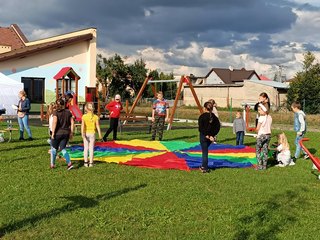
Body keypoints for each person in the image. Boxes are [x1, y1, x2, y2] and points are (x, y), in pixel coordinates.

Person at [50, 98, 74, 170]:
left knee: (54, 148)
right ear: (64, 104)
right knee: (63, 148)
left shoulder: (55, 112)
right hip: (66, 133)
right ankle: (69, 163)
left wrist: (53, 133)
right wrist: (71, 132)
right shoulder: (68, 112)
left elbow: (54, 122)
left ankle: (52, 164)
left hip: (57, 133)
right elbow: (72, 123)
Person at [198, 101, 220, 173]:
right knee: (205, 150)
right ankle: (204, 166)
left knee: (205, 152)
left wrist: (207, 135)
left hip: (204, 136)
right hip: (210, 137)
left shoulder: (202, 117)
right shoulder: (214, 117)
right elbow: (217, 127)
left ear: (204, 108)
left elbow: (201, 128)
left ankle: (204, 167)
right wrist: (212, 135)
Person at [81, 102, 102, 167]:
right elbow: (97, 126)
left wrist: (82, 133)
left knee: (86, 148)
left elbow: (82, 126)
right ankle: (91, 163)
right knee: (91, 148)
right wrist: (100, 134)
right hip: (92, 133)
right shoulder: (95, 117)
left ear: (86, 109)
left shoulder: (84, 116)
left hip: (86, 133)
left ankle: (85, 162)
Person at [255, 103, 272, 170]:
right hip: (268, 135)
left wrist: (256, 131)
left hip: (262, 136)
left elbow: (257, 128)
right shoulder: (270, 117)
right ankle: (264, 166)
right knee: (265, 150)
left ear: (264, 110)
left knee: (258, 150)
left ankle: (259, 165)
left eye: (259, 110)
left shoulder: (261, 118)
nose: (258, 112)